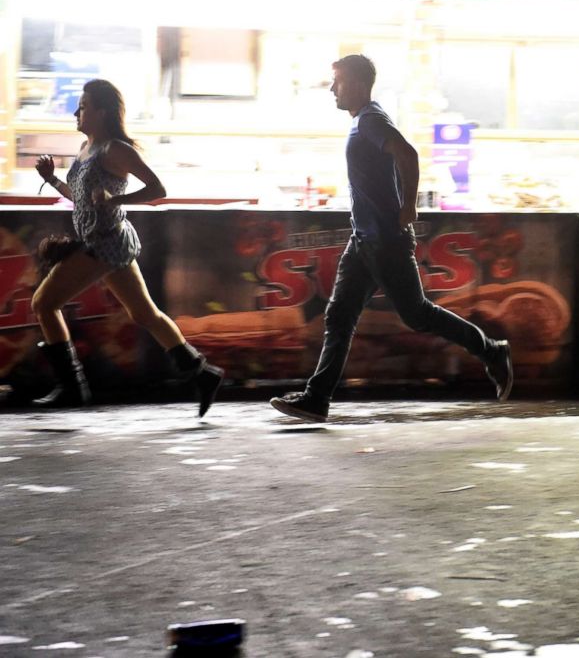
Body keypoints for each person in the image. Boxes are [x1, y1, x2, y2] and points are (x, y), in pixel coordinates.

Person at [270, 54, 512, 422]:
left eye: (337, 81)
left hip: (384, 240)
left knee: (417, 314)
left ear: (356, 82)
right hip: (363, 241)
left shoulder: (371, 120)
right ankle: (317, 398)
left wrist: (409, 207)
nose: (333, 89)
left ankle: (491, 350)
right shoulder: (361, 122)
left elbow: (407, 153)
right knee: (339, 315)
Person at [32, 79, 224, 416]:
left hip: (104, 244)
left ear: (102, 111)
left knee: (44, 303)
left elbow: (157, 188)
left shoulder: (115, 150)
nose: (77, 111)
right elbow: (80, 200)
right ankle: (203, 374)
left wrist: (115, 198)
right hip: (108, 243)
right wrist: (51, 179)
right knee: (145, 314)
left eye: (84, 105)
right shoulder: (86, 148)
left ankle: (72, 386)